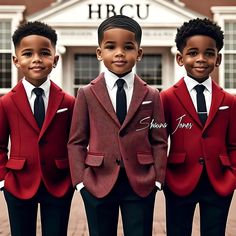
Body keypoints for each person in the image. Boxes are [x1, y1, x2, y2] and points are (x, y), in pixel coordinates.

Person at [68, 14, 167, 236]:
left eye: (128, 47)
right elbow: (76, 141)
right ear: (99, 52)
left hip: (141, 183)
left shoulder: (152, 95)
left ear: (139, 53)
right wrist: (80, 183)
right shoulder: (86, 94)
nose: (120, 53)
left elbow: (159, 140)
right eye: (111, 47)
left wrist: (158, 180)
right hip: (97, 181)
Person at [160, 18, 236, 236]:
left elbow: (233, 143)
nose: (201, 59)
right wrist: (164, 176)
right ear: (180, 58)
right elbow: (159, 140)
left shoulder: (229, 101)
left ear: (218, 58)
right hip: (179, 179)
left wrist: (232, 175)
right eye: (193, 53)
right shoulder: (167, 98)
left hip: (219, 181)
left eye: (209, 53)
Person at [0, 21, 75, 236]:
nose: (36, 60)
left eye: (44, 53)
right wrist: (3, 179)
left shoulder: (68, 102)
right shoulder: (6, 102)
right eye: (27, 54)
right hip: (18, 183)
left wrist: (71, 178)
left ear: (55, 59)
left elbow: (75, 142)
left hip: (59, 183)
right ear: (16, 60)